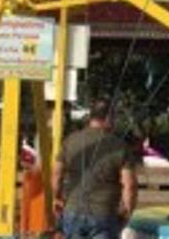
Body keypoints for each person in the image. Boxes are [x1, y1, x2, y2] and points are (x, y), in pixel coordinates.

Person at [53, 99, 137, 239]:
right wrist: (127, 210)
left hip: (72, 211)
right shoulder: (121, 146)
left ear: (91, 117)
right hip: (104, 214)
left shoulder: (70, 140)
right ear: (109, 118)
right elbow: (130, 185)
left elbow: (56, 174)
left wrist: (56, 198)